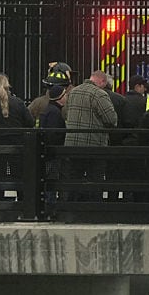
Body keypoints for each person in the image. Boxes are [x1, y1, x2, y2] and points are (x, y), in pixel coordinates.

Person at [64, 70, 118, 199]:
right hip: (93, 144)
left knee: (74, 179)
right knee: (95, 180)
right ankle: (92, 210)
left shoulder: (73, 92)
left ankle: (72, 209)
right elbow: (111, 119)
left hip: (71, 145)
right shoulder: (99, 94)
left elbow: (65, 113)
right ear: (102, 81)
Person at [120, 74, 149, 145]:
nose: (145, 89)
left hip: (123, 140)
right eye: (144, 86)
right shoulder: (145, 101)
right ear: (137, 86)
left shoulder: (121, 100)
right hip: (140, 140)